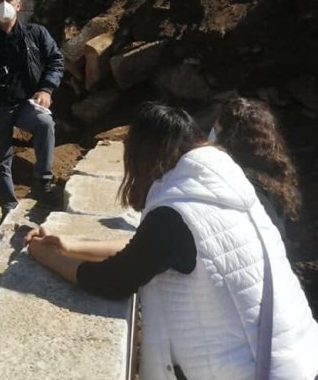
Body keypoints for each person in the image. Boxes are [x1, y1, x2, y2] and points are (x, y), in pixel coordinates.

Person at [25, 102, 318, 380]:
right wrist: (69, 245)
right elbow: (147, 252)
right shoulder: (229, 187)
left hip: (252, 369)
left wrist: (43, 255)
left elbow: (112, 280)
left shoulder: (177, 212)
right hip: (296, 355)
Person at [0, 0, 64, 217]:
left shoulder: (36, 33)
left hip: (25, 103)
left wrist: (46, 89)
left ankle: (42, 182)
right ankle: (8, 207)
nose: (4, 5)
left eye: (9, 0)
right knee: (0, 158)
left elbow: (55, 61)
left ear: (18, 5)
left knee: (45, 124)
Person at [213, 97, 302, 242]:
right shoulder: (271, 169)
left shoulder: (242, 179)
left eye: (217, 130)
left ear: (228, 135)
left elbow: (272, 233)